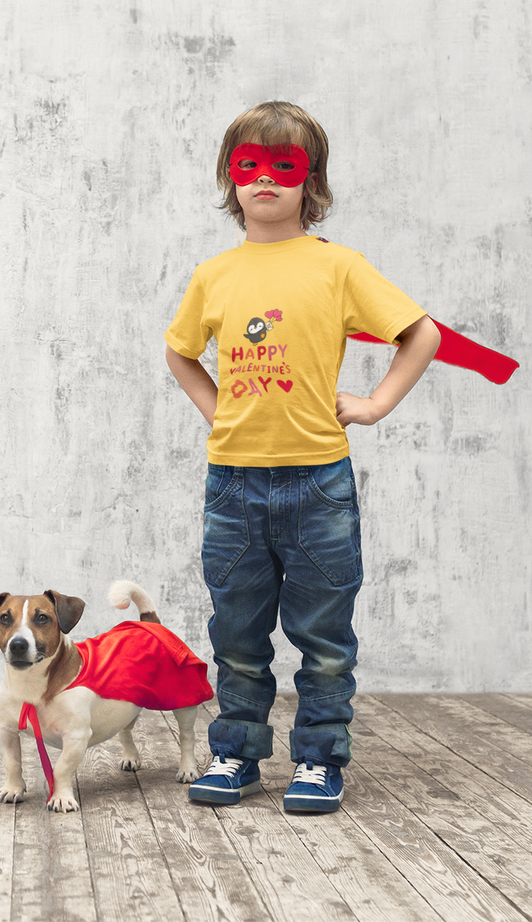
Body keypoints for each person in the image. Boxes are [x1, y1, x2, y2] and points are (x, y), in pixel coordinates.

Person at [163, 101, 441, 813]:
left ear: (308, 180)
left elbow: (421, 334)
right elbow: (180, 350)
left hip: (317, 484)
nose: (264, 178)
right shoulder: (214, 274)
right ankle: (236, 753)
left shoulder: (338, 267)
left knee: (323, 637)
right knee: (236, 633)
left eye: (282, 166)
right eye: (249, 164)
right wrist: (218, 411)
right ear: (231, 178)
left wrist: (374, 405)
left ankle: (318, 759)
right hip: (234, 486)